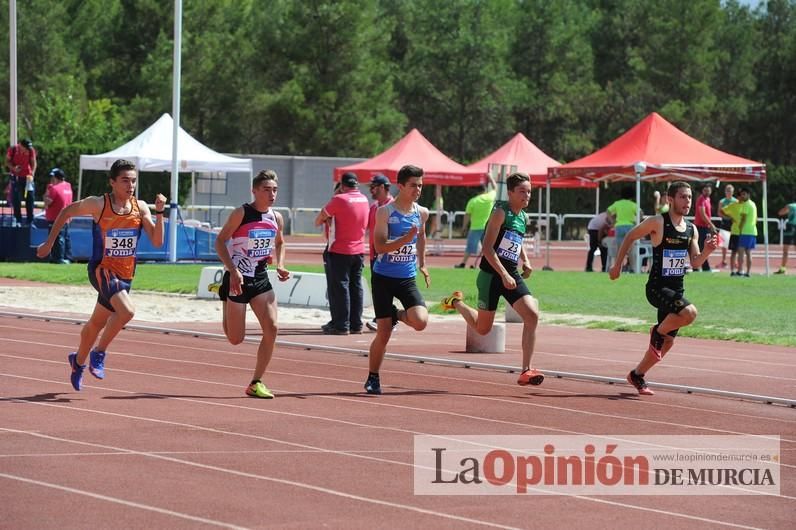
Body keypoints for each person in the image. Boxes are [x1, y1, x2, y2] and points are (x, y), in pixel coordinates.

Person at [36, 159, 167, 391]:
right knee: (127, 311)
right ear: (112, 182)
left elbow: (157, 241)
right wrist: (49, 242)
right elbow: (67, 211)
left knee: (96, 323)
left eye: (133, 181)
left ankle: (77, 362)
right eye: (125, 180)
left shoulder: (141, 207)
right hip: (101, 269)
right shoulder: (99, 205)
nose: (130, 185)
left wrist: (159, 213)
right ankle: (99, 353)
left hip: (126, 274)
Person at [610, 181, 716, 396]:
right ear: (670, 199)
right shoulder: (658, 222)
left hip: (677, 290)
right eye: (682, 197)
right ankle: (656, 332)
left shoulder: (691, 229)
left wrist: (707, 251)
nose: (687, 201)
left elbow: (695, 262)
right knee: (689, 313)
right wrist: (617, 266)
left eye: (689, 197)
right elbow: (630, 236)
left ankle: (637, 374)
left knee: (667, 342)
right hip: (657, 288)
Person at [441, 173, 543, 387]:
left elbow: (517, 240)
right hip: (490, 276)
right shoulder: (499, 213)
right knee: (483, 329)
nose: (527, 195)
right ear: (511, 193)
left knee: (532, 315)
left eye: (529, 191)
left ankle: (526, 370)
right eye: (523, 191)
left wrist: (525, 261)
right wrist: (503, 274)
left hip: (511, 275)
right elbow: (487, 248)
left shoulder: (522, 216)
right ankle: (455, 302)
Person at [214, 169, 290, 399]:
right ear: (254, 191)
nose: (271, 194)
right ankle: (224, 296)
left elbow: (280, 243)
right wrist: (232, 270)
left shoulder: (276, 217)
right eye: (266, 190)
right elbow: (220, 241)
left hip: (260, 278)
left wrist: (280, 264)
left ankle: (256, 382)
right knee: (236, 339)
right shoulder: (241, 213)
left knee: (273, 327)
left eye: (274, 190)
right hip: (237, 279)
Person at [365, 164, 431, 394]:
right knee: (383, 333)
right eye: (413, 185)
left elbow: (421, 237)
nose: (418, 190)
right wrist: (405, 239)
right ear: (400, 186)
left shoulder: (422, 213)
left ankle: (396, 314)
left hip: (406, 277)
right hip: (383, 276)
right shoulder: (385, 212)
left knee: (421, 321)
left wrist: (422, 263)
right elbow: (380, 246)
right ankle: (373, 377)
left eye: (421, 185)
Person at [314, 172, 369, 335]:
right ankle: (356, 324)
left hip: (340, 250)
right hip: (359, 250)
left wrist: (337, 196)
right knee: (355, 286)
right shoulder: (365, 199)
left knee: (340, 287)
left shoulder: (339, 199)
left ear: (342, 185)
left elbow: (319, 220)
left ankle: (341, 325)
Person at [364, 173, 394, 332]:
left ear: (382, 187)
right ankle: (383, 319)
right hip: (374, 254)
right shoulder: (374, 207)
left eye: (373, 187)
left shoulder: (394, 206)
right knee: (378, 288)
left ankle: (386, 320)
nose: (371, 190)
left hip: (388, 254)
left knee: (387, 288)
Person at [455, 174, 496, 268]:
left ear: (476, 191)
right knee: (487, 248)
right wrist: (491, 177)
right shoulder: (490, 197)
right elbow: (495, 187)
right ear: (485, 189)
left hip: (475, 227)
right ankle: (487, 265)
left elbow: (467, 216)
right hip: (487, 227)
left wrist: (463, 228)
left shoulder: (472, 201)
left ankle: (463, 263)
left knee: (470, 247)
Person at [321, 181, 343, 330]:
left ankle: (339, 322)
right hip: (334, 247)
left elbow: (319, 220)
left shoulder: (336, 206)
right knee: (337, 288)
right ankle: (342, 320)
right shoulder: (333, 207)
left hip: (337, 250)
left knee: (337, 288)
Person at [721, 187, 757, 277]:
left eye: (743, 194)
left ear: (748, 195)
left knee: (742, 252)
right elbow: (722, 211)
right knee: (742, 252)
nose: (742, 196)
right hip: (747, 231)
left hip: (743, 232)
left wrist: (740, 229)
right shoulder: (750, 204)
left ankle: (741, 271)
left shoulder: (746, 205)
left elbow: (744, 219)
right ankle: (742, 272)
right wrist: (729, 218)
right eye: (741, 195)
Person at [43, 167, 73, 264]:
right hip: (66, 217)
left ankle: (58, 259)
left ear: (57, 178)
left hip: (55, 218)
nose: (51, 180)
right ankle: (67, 257)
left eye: (53, 177)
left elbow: (48, 202)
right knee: (65, 237)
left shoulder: (53, 188)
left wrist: (45, 194)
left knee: (56, 239)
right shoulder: (68, 186)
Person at [6, 139, 37, 226]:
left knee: (30, 198)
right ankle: (18, 219)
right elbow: (7, 161)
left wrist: (32, 173)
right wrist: (13, 168)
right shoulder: (13, 149)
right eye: (25, 147)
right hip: (16, 177)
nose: (27, 149)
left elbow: (34, 162)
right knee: (16, 198)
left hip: (28, 177)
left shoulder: (31, 150)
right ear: (20, 145)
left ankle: (30, 220)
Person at [607, 186, 639, 271]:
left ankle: (618, 268)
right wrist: (637, 222)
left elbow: (608, 211)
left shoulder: (617, 203)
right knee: (631, 249)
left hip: (619, 226)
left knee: (619, 249)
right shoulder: (633, 204)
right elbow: (641, 213)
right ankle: (632, 268)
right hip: (630, 227)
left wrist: (612, 221)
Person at [693, 184, 716, 272]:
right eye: (705, 190)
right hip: (700, 227)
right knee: (700, 247)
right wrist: (711, 224)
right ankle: (700, 267)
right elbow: (702, 214)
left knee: (703, 247)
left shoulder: (708, 199)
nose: (707, 192)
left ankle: (703, 267)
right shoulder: (701, 199)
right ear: (702, 191)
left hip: (705, 227)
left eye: (708, 190)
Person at [717, 184, 737, 270]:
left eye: (730, 191)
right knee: (724, 243)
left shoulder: (736, 201)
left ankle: (734, 261)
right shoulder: (722, 201)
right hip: (725, 223)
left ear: (733, 192)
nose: (729, 192)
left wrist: (733, 218)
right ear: (725, 192)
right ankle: (724, 261)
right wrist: (726, 217)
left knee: (734, 242)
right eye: (727, 191)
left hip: (733, 224)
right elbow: (719, 212)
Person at [776, 200, 796, 274]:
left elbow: (780, 213)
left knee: (785, 250)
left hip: (791, 227)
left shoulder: (790, 205)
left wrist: (788, 211)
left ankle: (783, 268)